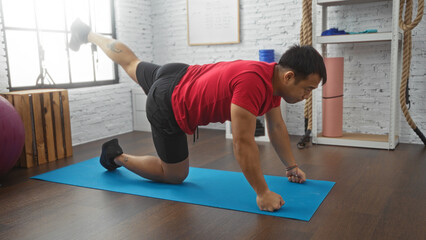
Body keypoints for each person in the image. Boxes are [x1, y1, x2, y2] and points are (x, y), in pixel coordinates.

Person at [69, 19, 327, 212]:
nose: (307, 95)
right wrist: (262, 193)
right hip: (167, 103)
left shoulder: (271, 75)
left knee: (131, 62)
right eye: (308, 89)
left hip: (177, 73)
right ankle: (115, 155)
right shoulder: (253, 85)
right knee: (175, 175)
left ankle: (88, 33)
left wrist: (291, 166)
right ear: (289, 76)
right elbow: (243, 142)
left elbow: (277, 126)